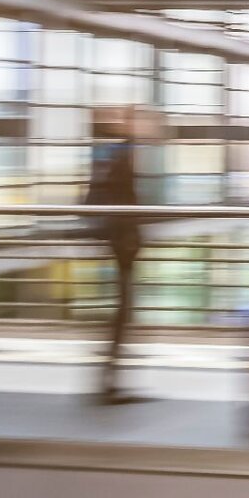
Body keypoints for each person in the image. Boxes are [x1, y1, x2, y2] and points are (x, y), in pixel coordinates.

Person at [86, 106, 149, 404]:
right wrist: (128, 237)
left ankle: (110, 380)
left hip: (120, 240)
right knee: (123, 311)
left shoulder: (114, 153)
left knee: (123, 311)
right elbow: (122, 200)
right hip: (121, 241)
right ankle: (108, 382)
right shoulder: (120, 154)